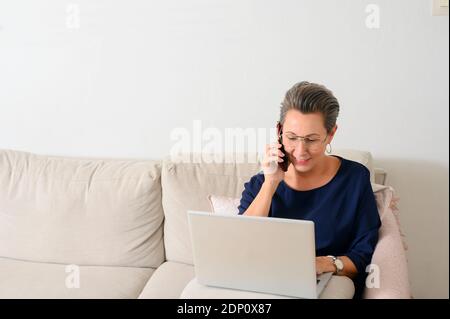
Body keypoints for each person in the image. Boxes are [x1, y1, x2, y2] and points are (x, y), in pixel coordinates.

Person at [238, 81, 381, 299]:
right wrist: (271, 183)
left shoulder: (354, 179)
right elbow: (240, 246)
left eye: (312, 140)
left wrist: (326, 263)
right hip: (264, 286)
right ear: (279, 131)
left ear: (330, 134)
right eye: (291, 137)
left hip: (324, 282)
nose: (300, 150)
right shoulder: (261, 184)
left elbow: (364, 254)